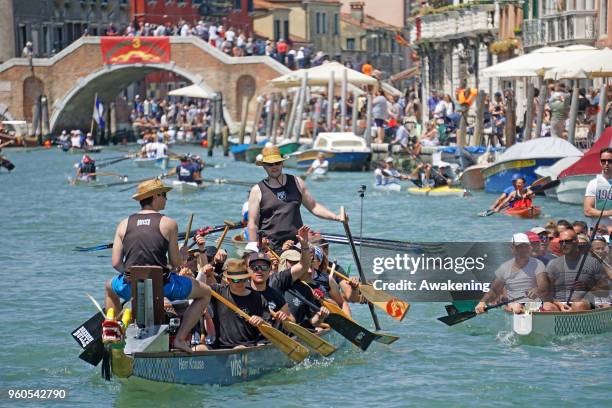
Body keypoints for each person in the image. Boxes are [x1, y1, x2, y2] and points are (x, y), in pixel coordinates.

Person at [104, 179, 212, 352]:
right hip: (164, 287)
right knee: (206, 292)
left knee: (109, 287)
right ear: (155, 197)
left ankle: (116, 328)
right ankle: (179, 339)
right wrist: (183, 255)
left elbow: (116, 263)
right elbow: (176, 264)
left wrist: (134, 274)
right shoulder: (169, 223)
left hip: (131, 286)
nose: (166, 199)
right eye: (164, 195)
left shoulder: (123, 224)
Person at [247, 146, 342, 253]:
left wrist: (336, 217)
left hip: (297, 245)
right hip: (270, 249)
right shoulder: (257, 190)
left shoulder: (297, 182)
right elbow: (252, 223)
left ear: (282, 163)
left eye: (277, 163)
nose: (274, 166)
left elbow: (314, 207)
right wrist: (254, 252)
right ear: (264, 166)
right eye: (270, 164)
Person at [538, 229, 608, 312]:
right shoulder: (553, 264)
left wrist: (588, 287)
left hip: (583, 304)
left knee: (578, 304)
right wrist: (559, 305)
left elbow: (605, 291)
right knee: (547, 307)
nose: (564, 244)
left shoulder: (593, 263)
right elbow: (546, 293)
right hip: (560, 305)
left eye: (567, 241)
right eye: (561, 242)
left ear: (576, 242)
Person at [475, 233, 546, 314]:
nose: (523, 249)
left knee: (548, 306)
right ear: (512, 249)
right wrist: (483, 302)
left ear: (529, 247)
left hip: (534, 303)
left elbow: (543, 285)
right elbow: (494, 290)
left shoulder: (538, 264)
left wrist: (537, 289)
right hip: (514, 305)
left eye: (525, 246)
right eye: (519, 247)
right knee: (515, 307)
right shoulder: (505, 268)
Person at [205, 259, 268, 348]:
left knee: (240, 348)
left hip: (247, 346)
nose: (240, 283)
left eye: (243, 279)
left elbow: (268, 325)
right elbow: (198, 288)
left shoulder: (258, 298)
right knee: (200, 349)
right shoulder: (218, 292)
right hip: (221, 347)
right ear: (228, 279)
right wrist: (204, 273)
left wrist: (261, 321)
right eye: (236, 280)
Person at [245, 251, 294, 326]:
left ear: (270, 270)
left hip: (270, 336)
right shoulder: (241, 291)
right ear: (248, 269)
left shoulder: (275, 295)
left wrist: (285, 318)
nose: (260, 271)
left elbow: (292, 322)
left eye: (264, 267)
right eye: (255, 267)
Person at [584, 147, 612, 234]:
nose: (606, 164)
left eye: (610, 161)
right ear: (600, 162)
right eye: (604, 161)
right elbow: (587, 211)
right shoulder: (593, 183)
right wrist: (610, 212)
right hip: (598, 232)